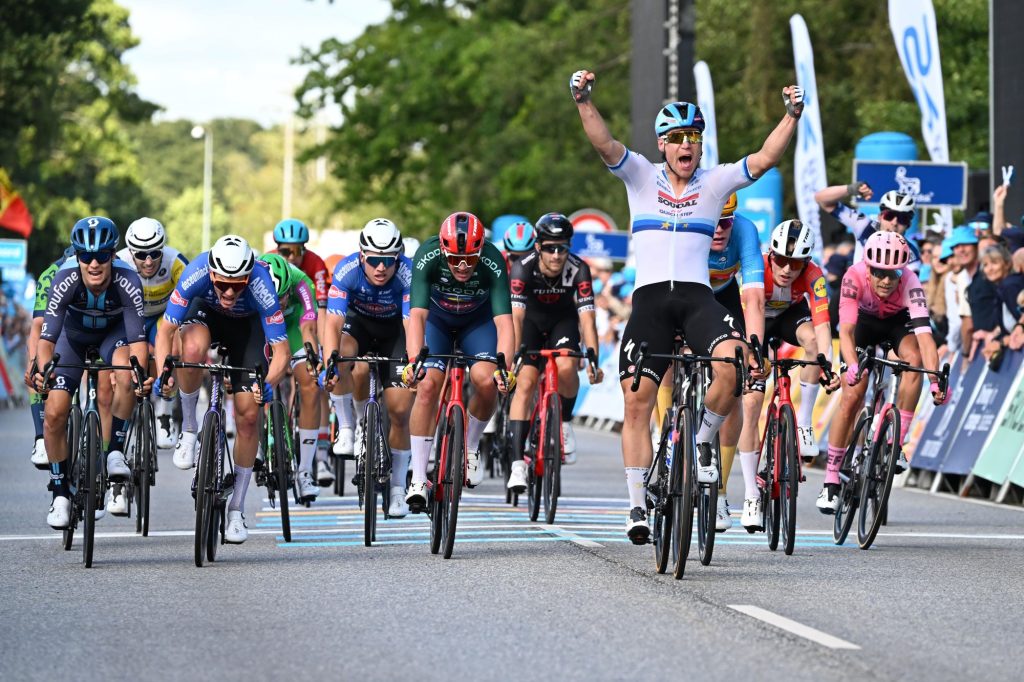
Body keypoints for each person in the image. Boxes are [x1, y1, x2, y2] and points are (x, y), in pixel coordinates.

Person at [571, 66, 801, 542]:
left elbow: (762, 160)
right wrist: (583, 101)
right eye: (676, 138)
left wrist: (791, 116)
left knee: (734, 364)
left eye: (693, 137)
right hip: (651, 301)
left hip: (698, 300)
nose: (686, 145)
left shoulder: (714, 183)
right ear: (662, 144)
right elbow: (604, 144)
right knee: (636, 400)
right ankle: (637, 506)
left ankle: (701, 441)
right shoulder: (640, 175)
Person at [155, 235, 291, 544]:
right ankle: (189, 429)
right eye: (223, 284)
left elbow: (281, 353)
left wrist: (267, 384)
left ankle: (237, 510)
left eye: (238, 285)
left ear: (248, 278)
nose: (229, 292)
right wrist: (164, 370)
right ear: (212, 274)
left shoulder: (261, 284)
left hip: (248, 327)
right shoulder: (196, 272)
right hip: (206, 315)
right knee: (191, 349)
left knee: (248, 417)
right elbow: (166, 331)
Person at [31, 217, 152, 530]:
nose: (94, 263)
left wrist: (140, 375)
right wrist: (45, 371)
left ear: (113, 254)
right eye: (86, 256)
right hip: (71, 338)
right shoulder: (64, 278)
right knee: (54, 411)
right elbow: (46, 340)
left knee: (127, 373)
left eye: (101, 256)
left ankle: (115, 453)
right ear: (77, 256)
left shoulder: (128, 280)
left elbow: (138, 343)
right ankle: (60, 493)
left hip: (113, 336)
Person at [818, 232, 949, 513]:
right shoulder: (853, 276)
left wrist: (935, 380)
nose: (887, 280)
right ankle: (831, 479)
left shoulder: (911, 282)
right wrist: (853, 366)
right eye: (879, 273)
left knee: (914, 359)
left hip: (897, 325)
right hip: (862, 326)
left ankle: (895, 445)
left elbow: (926, 339)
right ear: (869, 268)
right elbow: (847, 332)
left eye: (894, 274)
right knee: (852, 396)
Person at [401, 212, 516, 512]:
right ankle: (418, 477)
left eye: (469, 260)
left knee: (487, 381)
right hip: (437, 323)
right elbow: (417, 317)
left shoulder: (493, 259)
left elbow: (505, 323)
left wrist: (505, 370)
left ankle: (472, 445)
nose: (462, 267)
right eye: (454, 259)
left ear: (480, 251)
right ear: (442, 250)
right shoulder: (427, 255)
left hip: (477, 324)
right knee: (427, 385)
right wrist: (414, 362)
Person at [736, 219, 839, 529]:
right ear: (771, 254)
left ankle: (804, 424)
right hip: (754, 318)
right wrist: (755, 356)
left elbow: (822, 324)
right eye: (780, 259)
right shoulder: (757, 267)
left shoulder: (814, 274)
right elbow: (749, 313)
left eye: (795, 263)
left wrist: (826, 363)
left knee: (813, 343)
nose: (786, 269)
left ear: (806, 262)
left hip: (788, 316)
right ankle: (751, 495)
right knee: (752, 403)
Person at [322, 218, 415, 517]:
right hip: (358, 325)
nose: (381, 267)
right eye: (374, 260)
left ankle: (398, 489)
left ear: (398, 257)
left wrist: (413, 362)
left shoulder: (408, 274)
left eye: (389, 260)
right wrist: (329, 363)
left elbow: (411, 324)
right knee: (342, 357)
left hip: (395, 332)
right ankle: (349, 428)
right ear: (362, 256)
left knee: (400, 412)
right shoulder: (346, 270)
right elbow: (333, 323)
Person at [505, 213, 604, 493]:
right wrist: (514, 357)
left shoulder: (579, 269)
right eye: (550, 248)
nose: (557, 255)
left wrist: (593, 359)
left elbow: (588, 319)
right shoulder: (522, 269)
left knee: (568, 366)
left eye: (562, 248)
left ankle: (565, 422)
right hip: (531, 323)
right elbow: (516, 319)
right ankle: (517, 465)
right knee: (525, 383)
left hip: (563, 321)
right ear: (538, 247)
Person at [257, 253, 322, 501]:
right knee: (254, 380)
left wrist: (312, 357)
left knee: (311, 384)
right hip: (262, 324)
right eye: (274, 298)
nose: (279, 303)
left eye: (283, 296)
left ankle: (304, 472)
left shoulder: (301, 282)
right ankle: (260, 439)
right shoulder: (253, 283)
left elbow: (308, 327)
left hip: (294, 327)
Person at [273, 218, 332, 467]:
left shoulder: (315, 264)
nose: (291, 257)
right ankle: (266, 436)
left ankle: (321, 452)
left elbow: (320, 314)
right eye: (285, 251)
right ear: (277, 249)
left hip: (301, 319)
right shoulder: (268, 262)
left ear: (304, 249)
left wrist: (320, 351)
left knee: (314, 379)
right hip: (275, 320)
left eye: (296, 251)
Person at [26, 246, 78, 470]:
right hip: (57, 330)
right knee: (36, 367)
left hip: (88, 329)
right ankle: (40, 438)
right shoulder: (50, 275)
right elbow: (38, 326)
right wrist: (34, 364)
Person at [814, 183, 922, 263]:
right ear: (880, 217)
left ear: (908, 225)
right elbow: (821, 199)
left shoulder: (911, 254)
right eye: (889, 216)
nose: (894, 222)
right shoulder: (864, 226)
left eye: (902, 219)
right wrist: (850, 189)